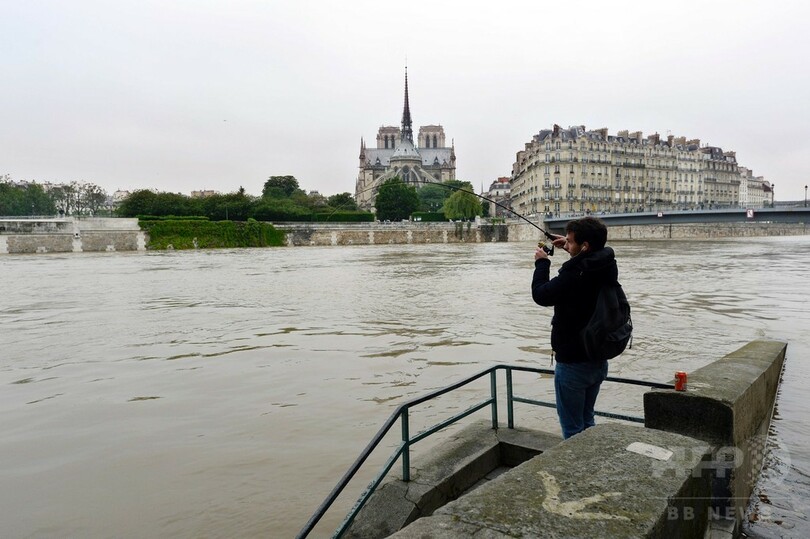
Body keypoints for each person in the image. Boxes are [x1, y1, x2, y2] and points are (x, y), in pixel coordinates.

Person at [531, 216, 618, 439]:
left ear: (585, 245)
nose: (566, 243)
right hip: (597, 359)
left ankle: (579, 471)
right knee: (587, 419)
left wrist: (542, 262)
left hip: (573, 364)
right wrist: (571, 248)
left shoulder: (574, 275)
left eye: (570, 241)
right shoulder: (606, 264)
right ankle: (592, 464)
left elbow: (541, 295)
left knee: (571, 429)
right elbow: (587, 261)